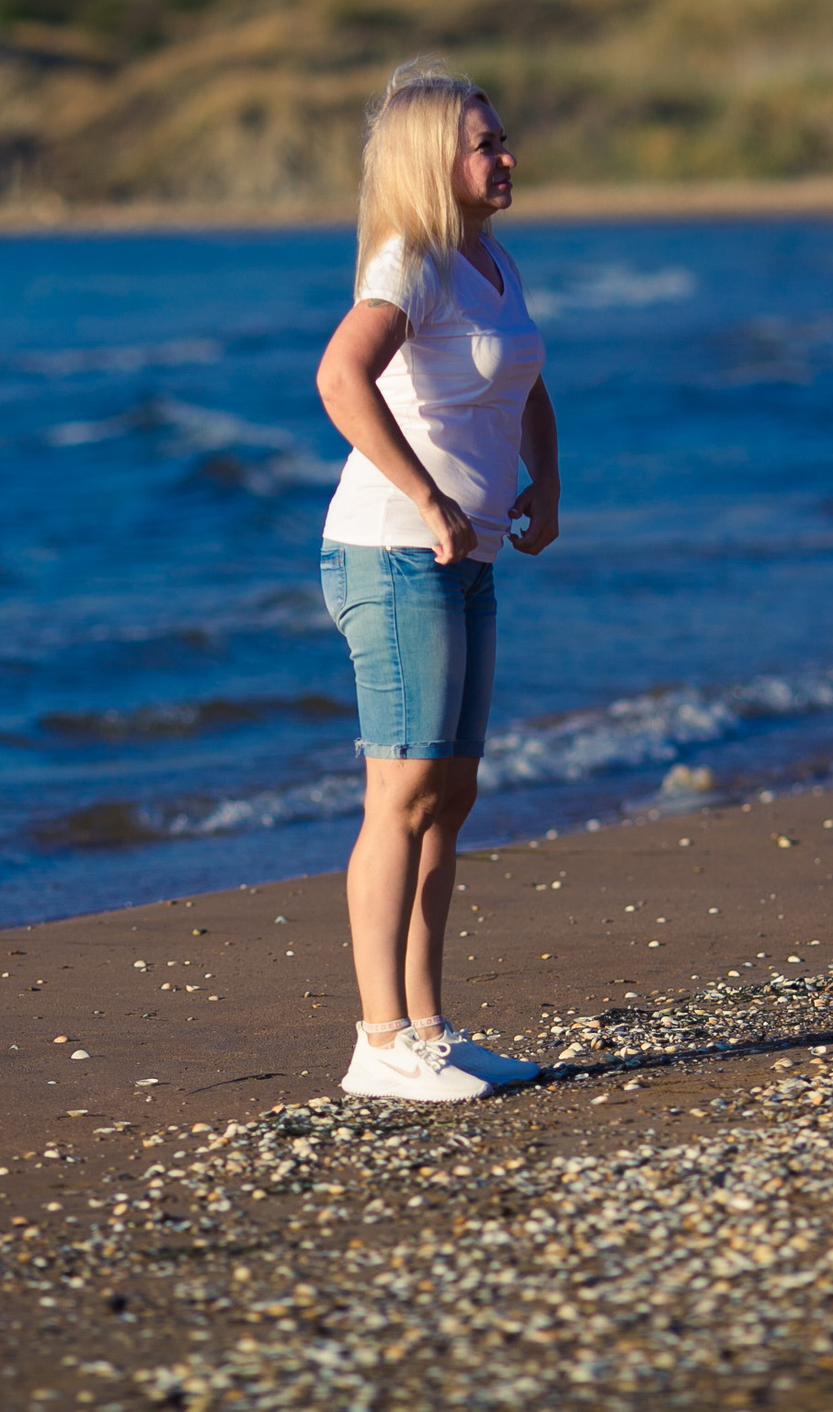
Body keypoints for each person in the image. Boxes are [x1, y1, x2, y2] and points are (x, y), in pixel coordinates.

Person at [314, 60, 560, 1102]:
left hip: (467, 553)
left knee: (450, 796)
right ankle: (378, 1042)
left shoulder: (489, 259)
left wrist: (547, 483)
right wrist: (425, 498)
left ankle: (427, 1029)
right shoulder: (409, 261)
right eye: (484, 144)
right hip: (392, 551)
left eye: (502, 140)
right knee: (402, 794)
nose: (506, 157)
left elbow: (525, 379)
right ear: (431, 160)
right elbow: (339, 378)